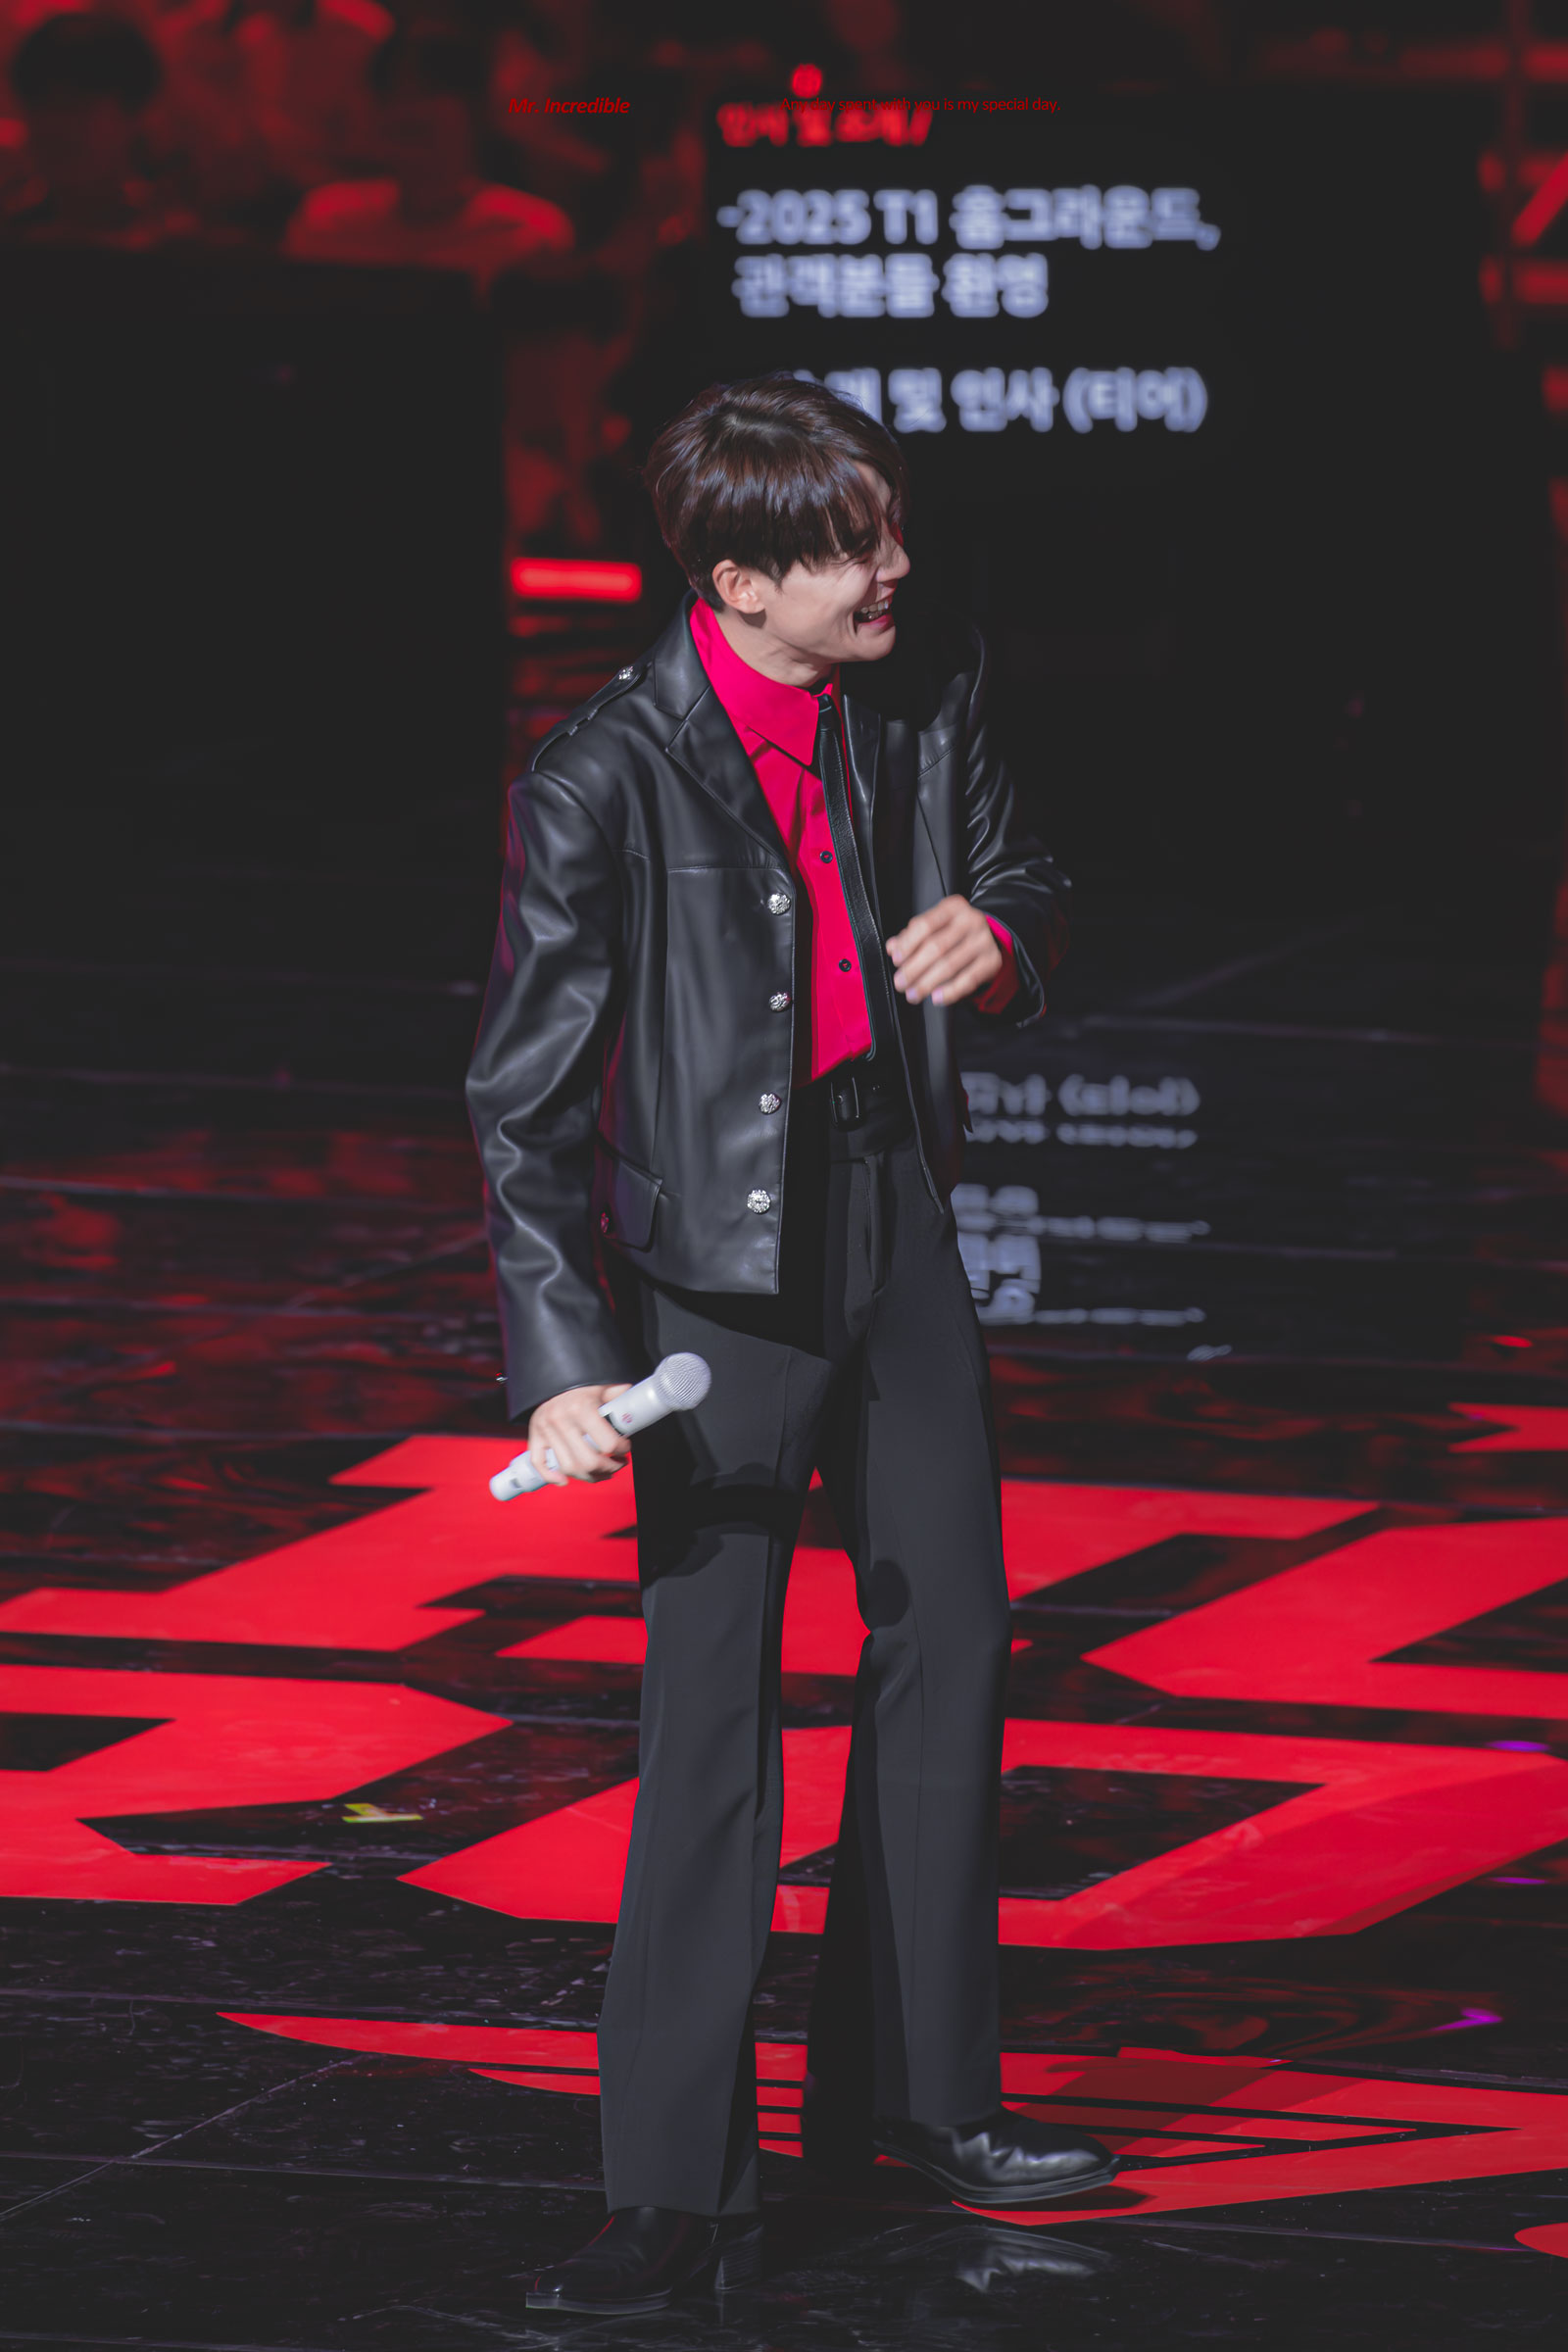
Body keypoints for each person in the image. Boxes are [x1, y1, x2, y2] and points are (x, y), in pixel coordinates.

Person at [466, 373, 1116, 2319]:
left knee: (951, 1636)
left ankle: (920, 2097)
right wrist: (561, 1357)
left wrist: (1000, 939)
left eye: (890, 529)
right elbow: (520, 1098)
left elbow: (1023, 872)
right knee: (713, 1709)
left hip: (889, 1211)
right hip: (714, 1274)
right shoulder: (602, 775)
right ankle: (670, 2186)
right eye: (850, 550)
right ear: (737, 581)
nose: (890, 570)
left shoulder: (924, 684)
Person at [283, 19, 570, 287]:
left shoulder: (527, 235)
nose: (406, 108)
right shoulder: (325, 221)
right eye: (390, 91)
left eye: (429, 90)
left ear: (477, 109)